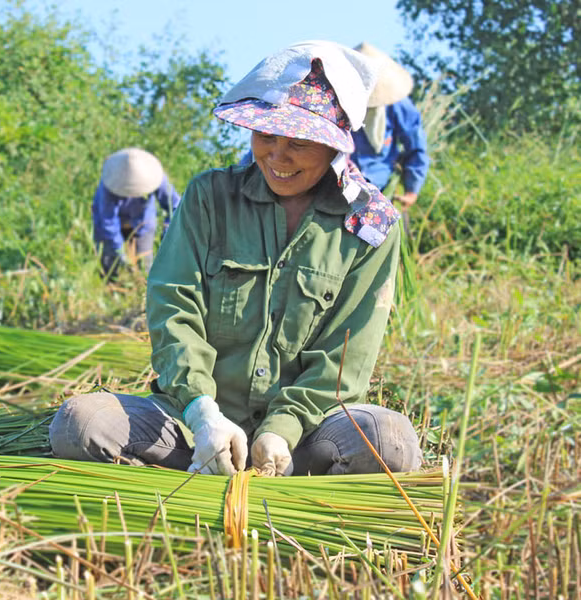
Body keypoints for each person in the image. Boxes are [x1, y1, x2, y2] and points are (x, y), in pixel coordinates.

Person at [51, 41, 422, 477]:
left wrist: (281, 430)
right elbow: (173, 308)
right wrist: (202, 411)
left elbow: (347, 357)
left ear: (334, 146)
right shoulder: (210, 198)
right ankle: (195, 472)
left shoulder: (370, 226)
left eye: (299, 142)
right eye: (266, 136)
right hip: (192, 429)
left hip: (307, 436)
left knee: (390, 442)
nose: (277, 157)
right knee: (80, 424)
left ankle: (288, 491)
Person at [349, 42, 429, 213]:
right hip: (338, 190)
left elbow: (416, 147)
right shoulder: (337, 103)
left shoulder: (397, 105)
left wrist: (411, 190)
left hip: (381, 190)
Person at [92, 148, 181, 278]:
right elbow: (108, 221)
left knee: (144, 270)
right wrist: (120, 253)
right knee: (111, 267)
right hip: (108, 229)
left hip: (143, 223)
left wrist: (167, 234)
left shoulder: (157, 178)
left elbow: (176, 207)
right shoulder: (108, 185)